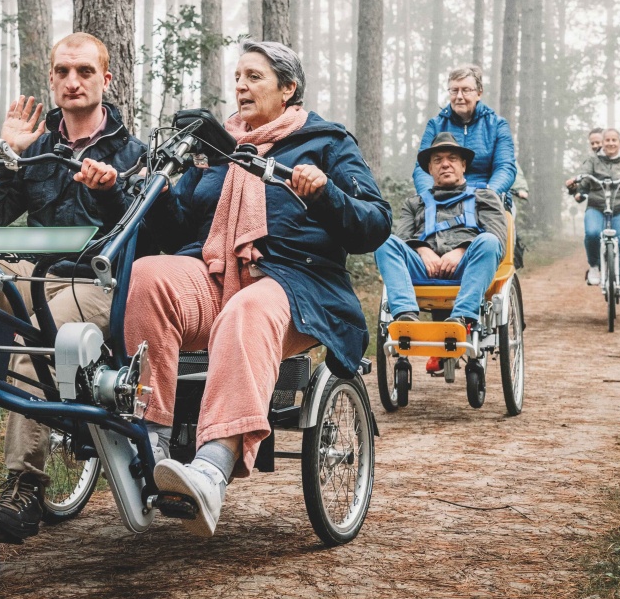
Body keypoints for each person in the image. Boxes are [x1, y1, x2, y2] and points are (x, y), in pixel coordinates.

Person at [124, 41, 391, 537]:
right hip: (213, 276)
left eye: (254, 77)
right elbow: (176, 230)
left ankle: (210, 470)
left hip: (297, 283)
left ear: (288, 89)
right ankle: (151, 443)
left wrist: (325, 194)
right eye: (237, 77)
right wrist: (156, 192)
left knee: (247, 310)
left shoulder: (327, 142)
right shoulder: (216, 148)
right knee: (150, 275)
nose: (241, 87)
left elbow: (374, 224)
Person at [0, 32, 146, 544]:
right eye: (63, 71)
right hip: (39, 275)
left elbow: (146, 232)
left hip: (99, 282)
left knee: (37, 344)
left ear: (106, 79)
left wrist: (110, 189)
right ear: (51, 78)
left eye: (85, 71)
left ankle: (24, 485)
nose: (73, 81)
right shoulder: (37, 147)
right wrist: (7, 155)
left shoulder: (134, 154)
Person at [374, 132, 509, 371]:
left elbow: (498, 238)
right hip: (423, 268)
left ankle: (461, 318)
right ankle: (406, 316)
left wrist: (461, 250)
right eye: (438, 160)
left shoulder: (485, 197)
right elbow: (402, 238)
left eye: (452, 158)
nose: (445, 164)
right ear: (429, 168)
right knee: (385, 242)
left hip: (469, 267)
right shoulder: (414, 203)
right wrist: (422, 250)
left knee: (488, 241)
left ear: (463, 165)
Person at [565, 127, 620, 307]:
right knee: (592, 233)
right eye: (607, 140)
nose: (611, 143)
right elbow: (582, 180)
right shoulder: (593, 160)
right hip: (597, 207)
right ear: (603, 142)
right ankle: (594, 267)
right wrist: (574, 184)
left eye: (614, 140)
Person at [413, 65, 517, 202]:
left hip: (487, 197)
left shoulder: (497, 125)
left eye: (466, 90)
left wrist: (489, 195)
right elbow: (422, 168)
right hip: (443, 198)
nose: (459, 96)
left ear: (479, 93)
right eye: (454, 90)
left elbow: (505, 167)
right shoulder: (435, 125)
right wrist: (429, 197)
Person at [573, 128, 603, 205]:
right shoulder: (590, 162)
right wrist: (579, 192)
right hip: (596, 205)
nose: (595, 146)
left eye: (598, 142)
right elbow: (585, 178)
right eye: (592, 143)